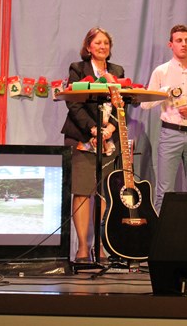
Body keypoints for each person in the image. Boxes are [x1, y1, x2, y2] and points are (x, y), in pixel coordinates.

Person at [61, 27, 124, 263]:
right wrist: (94, 129)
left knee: (104, 193)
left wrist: (111, 129)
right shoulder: (77, 69)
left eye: (106, 43)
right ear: (88, 47)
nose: (102, 46)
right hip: (83, 136)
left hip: (109, 139)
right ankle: (82, 248)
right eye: (97, 43)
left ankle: (101, 246)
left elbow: (122, 104)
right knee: (82, 191)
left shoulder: (117, 71)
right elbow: (74, 104)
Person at [140, 24, 187, 212]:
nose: (183, 44)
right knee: (164, 191)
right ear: (171, 44)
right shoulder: (162, 71)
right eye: (179, 40)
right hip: (170, 134)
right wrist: (163, 93)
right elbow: (145, 104)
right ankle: (161, 231)